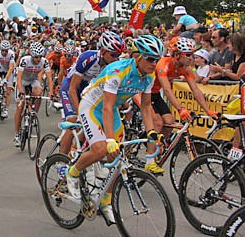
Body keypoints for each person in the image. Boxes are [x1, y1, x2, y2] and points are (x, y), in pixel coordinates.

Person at [65, 35, 165, 224]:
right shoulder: (118, 70)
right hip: (93, 106)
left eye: (157, 59)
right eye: (151, 58)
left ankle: (105, 200)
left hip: (110, 110)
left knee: (117, 156)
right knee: (102, 149)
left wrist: (151, 132)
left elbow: (145, 107)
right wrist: (110, 139)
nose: (154, 63)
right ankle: (73, 171)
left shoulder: (149, 76)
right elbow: (107, 107)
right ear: (138, 57)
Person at [59, 31, 126, 154]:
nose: (116, 59)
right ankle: (61, 161)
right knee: (74, 120)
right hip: (71, 87)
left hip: (89, 91)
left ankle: (76, 150)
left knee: (91, 122)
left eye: (119, 55)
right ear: (104, 51)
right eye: (113, 55)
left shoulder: (114, 65)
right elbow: (73, 89)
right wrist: (79, 113)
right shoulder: (88, 58)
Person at [151, 37, 218, 152]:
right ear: (177, 55)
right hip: (143, 93)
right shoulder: (163, 64)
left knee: (169, 123)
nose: (191, 58)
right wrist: (180, 109)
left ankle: (158, 148)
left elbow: (196, 90)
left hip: (155, 94)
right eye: (188, 55)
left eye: (192, 54)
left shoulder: (185, 69)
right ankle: (150, 158)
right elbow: (167, 89)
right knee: (158, 123)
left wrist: (208, 110)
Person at [14, 42, 55, 146]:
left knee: (39, 93)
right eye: (36, 57)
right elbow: (18, 77)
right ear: (31, 55)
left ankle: (33, 115)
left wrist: (51, 92)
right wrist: (21, 91)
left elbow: (49, 78)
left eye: (40, 57)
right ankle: (16, 134)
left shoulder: (44, 62)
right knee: (20, 107)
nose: (38, 59)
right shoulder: (25, 60)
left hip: (33, 80)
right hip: (22, 81)